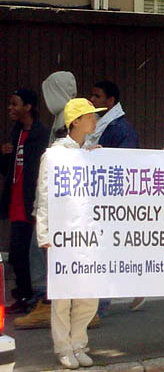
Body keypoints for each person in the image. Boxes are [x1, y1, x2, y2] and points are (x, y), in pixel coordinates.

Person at [35, 98, 107, 369]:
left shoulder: (89, 153)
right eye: (90, 116)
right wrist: (44, 233)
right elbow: (44, 195)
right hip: (62, 236)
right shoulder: (54, 155)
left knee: (88, 294)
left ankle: (79, 343)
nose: (94, 120)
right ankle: (63, 347)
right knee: (63, 296)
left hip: (89, 235)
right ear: (75, 121)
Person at [15, 72, 77, 329]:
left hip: (59, 202)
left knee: (41, 251)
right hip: (54, 200)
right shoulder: (60, 117)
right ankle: (52, 302)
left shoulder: (67, 117)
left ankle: (46, 302)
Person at [86, 80, 143, 314]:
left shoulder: (121, 129)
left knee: (107, 250)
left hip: (111, 200)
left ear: (110, 101)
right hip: (98, 197)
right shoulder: (100, 124)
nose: (92, 100)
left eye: (97, 96)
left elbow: (126, 165)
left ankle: (100, 303)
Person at [0, 89, 50, 314]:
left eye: (15, 104)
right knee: (17, 253)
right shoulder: (17, 132)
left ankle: (34, 297)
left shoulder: (40, 134)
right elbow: (8, 168)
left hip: (32, 202)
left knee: (29, 253)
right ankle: (24, 295)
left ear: (28, 107)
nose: (10, 108)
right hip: (16, 200)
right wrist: (4, 154)